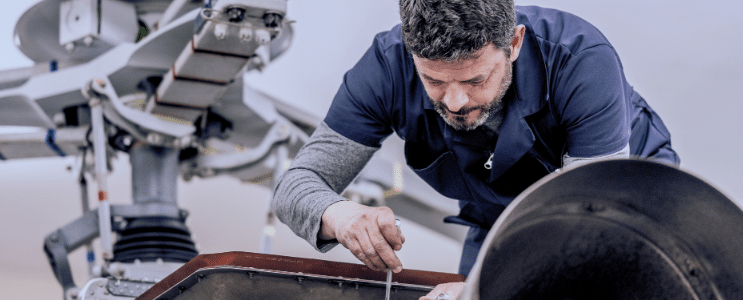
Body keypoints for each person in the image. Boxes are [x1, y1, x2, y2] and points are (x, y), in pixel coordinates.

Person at [273, 0, 679, 298]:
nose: (453, 102)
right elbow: (295, 187)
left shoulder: (582, 63)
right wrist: (336, 213)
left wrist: (481, 292)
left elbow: (591, 230)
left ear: (515, 43)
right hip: (498, 218)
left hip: (625, 214)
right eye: (433, 80)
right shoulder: (384, 70)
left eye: (475, 80)